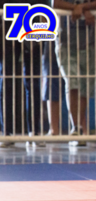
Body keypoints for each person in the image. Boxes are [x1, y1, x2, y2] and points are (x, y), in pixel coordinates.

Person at [53, 0, 96, 146]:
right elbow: (54, 3)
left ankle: (79, 127)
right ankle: (75, 128)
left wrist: (81, 8)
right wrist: (76, 8)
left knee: (84, 87)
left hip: (89, 42)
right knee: (72, 82)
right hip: (65, 42)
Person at [0, 0, 48, 148]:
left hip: (32, 21)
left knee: (33, 81)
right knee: (7, 79)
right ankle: (6, 133)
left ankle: (35, 132)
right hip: (7, 22)